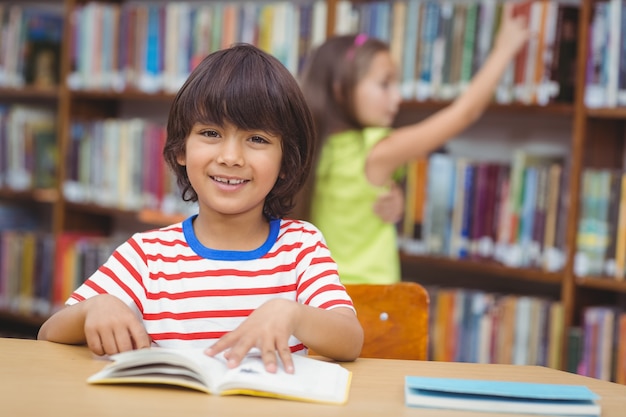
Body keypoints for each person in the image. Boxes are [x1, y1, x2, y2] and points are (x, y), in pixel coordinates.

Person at [38, 44, 364, 374]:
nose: (231, 157)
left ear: (285, 161)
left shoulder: (301, 246)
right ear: (181, 148)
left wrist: (292, 313)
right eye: (211, 133)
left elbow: (350, 339)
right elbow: (48, 334)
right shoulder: (147, 255)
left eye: (257, 139)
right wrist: (94, 307)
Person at [296, 5, 530, 285]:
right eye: (385, 85)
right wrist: (504, 49)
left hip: (319, 295)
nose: (397, 97)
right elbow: (465, 113)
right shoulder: (378, 149)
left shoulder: (306, 149)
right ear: (340, 89)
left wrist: (396, 194)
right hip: (373, 301)